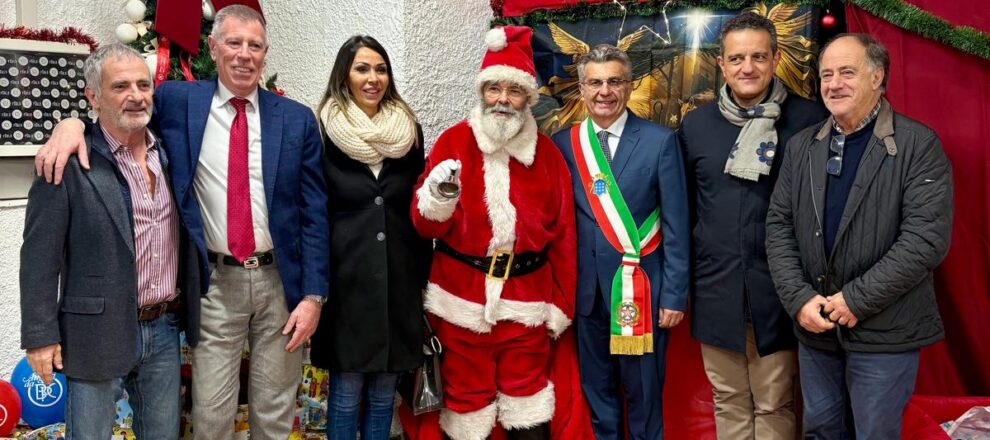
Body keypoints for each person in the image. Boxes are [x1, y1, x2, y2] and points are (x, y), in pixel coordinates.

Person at [34, 5, 330, 440]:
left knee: (274, 411)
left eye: (255, 45)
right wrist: (71, 124)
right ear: (213, 47)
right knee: (210, 413)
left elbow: (314, 213)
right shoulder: (176, 101)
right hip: (215, 284)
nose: (244, 54)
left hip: (281, 283)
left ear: (265, 53)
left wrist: (314, 296)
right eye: (233, 42)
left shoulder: (296, 118)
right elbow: (119, 113)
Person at [766, 33, 953, 439]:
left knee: (874, 434)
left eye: (847, 73)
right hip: (816, 329)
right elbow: (778, 226)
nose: (834, 84)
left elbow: (925, 239)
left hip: (885, 332)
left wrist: (856, 299)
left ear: (877, 76)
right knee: (821, 430)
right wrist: (799, 300)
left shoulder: (918, 144)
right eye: (826, 75)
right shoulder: (802, 147)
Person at [20, 43, 200, 440]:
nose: (136, 95)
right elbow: (39, 257)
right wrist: (40, 336)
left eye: (143, 85)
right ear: (93, 96)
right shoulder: (66, 161)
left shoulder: (169, 152)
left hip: (163, 328)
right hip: (95, 332)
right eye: (120, 86)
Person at [410, 26, 577, 440]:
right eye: (494, 88)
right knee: (465, 403)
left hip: (527, 302)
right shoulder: (453, 141)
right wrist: (437, 198)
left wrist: (561, 305)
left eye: (514, 90)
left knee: (529, 402)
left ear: (529, 98)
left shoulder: (548, 156)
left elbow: (565, 237)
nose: (503, 99)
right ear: (482, 91)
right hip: (460, 299)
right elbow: (424, 226)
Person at [677, 12, 828, 439]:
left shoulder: (809, 122)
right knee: (727, 398)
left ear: (776, 59)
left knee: (774, 401)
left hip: (781, 289)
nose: (748, 67)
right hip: (716, 287)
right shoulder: (696, 126)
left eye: (759, 57)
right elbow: (686, 209)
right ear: (721, 64)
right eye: (737, 58)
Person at [550, 44, 690, 440]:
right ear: (581, 88)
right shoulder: (564, 144)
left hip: (642, 292)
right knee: (598, 394)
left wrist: (674, 295)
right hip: (587, 295)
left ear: (629, 86)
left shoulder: (660, 141)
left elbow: (677, 224)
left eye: (614, 81)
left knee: (644, 395)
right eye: (595, 83)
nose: (604, 92)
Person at [307, 35, 432, 440]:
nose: (373, 78)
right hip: (346, 283)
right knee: (345, 395)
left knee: (383, 397)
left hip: (399, 281)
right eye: (362, 68)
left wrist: (424, 281)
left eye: (381, 69)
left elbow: (418, 206)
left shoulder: (408, 131)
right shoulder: (322, 130)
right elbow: (313, 211)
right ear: (344, 75)